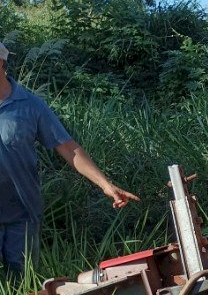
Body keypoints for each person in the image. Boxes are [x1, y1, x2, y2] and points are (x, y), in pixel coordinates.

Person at [0, 42, 139, 278]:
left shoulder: (31, 105)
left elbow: (68, 147)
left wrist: (105, 184)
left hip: (22, 216)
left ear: (1, 64)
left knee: (22, 289)